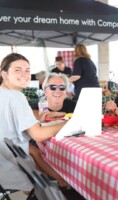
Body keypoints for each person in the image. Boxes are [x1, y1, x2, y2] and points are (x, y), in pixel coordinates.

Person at [0, 53, 68, 192]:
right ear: (4, 74)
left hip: (4, 167)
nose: (25, 74)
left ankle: (61, 181)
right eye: (17, 70)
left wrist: (38, 117)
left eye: (27, 70)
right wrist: (67, 123)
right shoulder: (17, 97)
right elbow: (38, 135)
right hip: (16, 175)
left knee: (33, 150)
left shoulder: (5, 94)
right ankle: (66, 183)